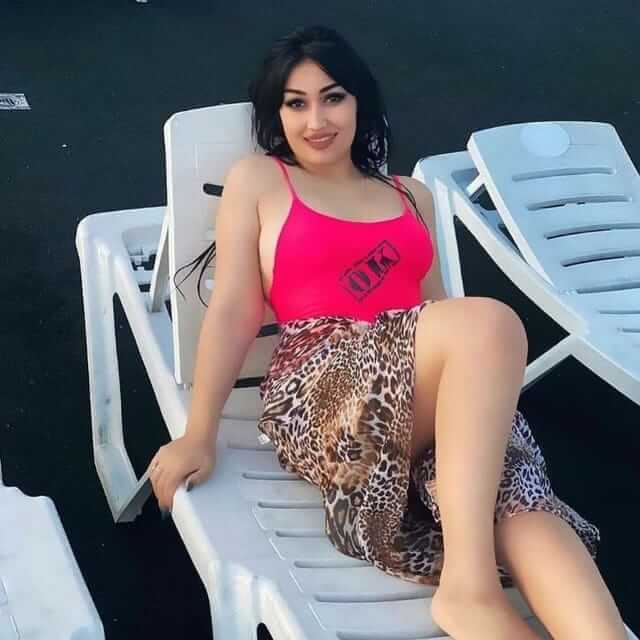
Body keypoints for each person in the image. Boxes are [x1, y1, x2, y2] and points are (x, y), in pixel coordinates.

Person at [147, 25, 628, 640]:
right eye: (296, 103)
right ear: (277, 116)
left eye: (332, 97)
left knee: (522, 502)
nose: (316, 120)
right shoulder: (262, 180)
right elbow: (235, 308)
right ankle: (469, 589)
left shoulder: (410, 195)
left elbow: (440, 319)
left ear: (359, 101)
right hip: (324, 390)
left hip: (421, 399)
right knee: (491, 322)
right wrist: (198, 434)